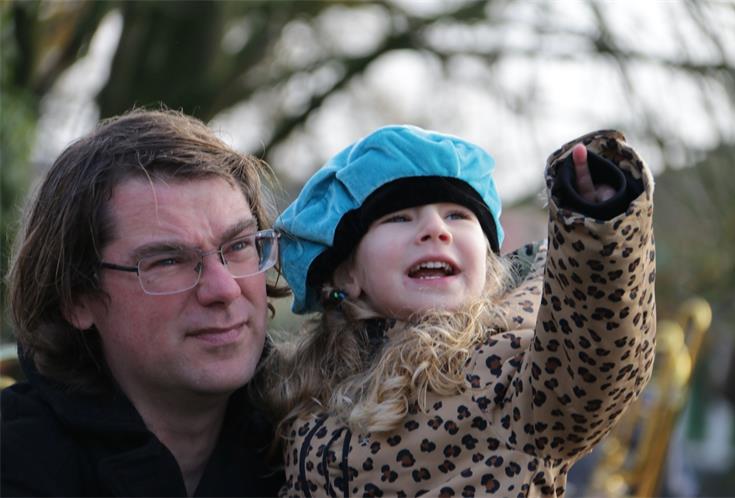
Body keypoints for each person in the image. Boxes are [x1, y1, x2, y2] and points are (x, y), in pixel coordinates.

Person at [262, 125, 656, 497]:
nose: (437, 230)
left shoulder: (511, 374)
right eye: (399, 217)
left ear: (486, 260)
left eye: (458, 215)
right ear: (346, 273)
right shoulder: (301, 390)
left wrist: (596, 229)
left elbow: (597, 357)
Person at [1, 109, 286, 497]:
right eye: (168, 261)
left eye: (238, 246)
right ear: (76, 300)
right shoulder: (15, 464)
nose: (225, 289)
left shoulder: (328, 446)